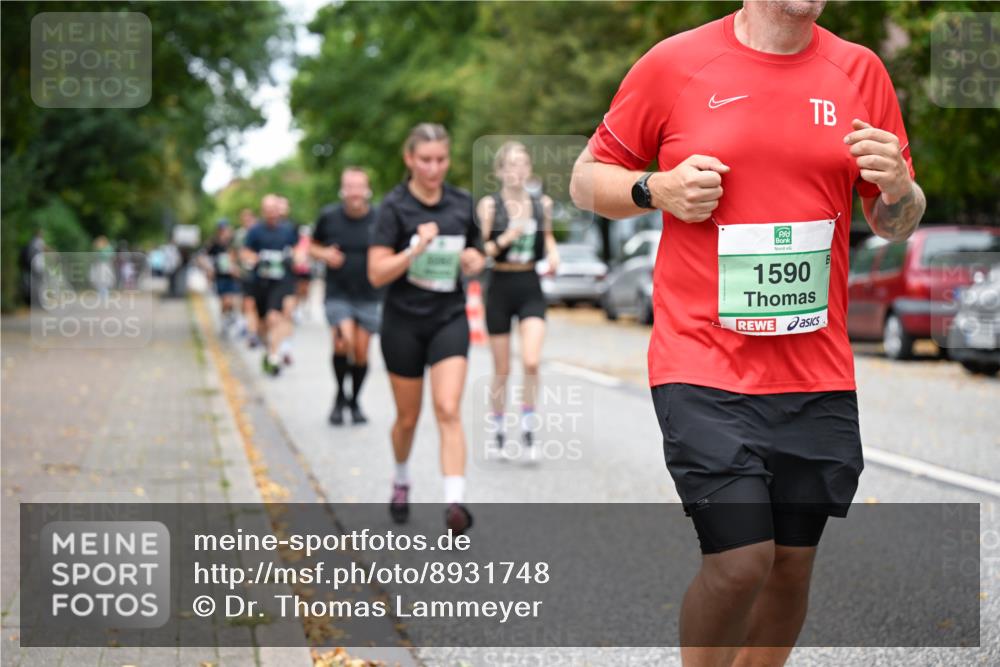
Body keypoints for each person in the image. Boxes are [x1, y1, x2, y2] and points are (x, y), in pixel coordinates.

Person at [570, 2, 925, 665]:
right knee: (740, 561)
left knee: (791, 565)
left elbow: (892, 221)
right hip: (702, 361)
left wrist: (902, 187)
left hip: (815, 369)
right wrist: (656, 189)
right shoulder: (675, 64)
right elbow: (585, 180)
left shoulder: (860, 71)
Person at [368, 123, 486, 534]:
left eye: (441, 160)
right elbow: (376, 273)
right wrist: (414, 249)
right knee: (407, 418)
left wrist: (475, 260)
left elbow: (477, 252)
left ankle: (455, 504)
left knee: (448, 408)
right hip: (403, 321)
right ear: (409, 159)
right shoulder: (394, 207)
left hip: (448, 317)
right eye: (425, 160)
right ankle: (401, 478)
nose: (434, 168)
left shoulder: (461, 203)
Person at [477, 141, 559, 460]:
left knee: (531, 361)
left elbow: (548, 236)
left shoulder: (542, 204)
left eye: (523, 164)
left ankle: (527, 428)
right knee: (502, 368)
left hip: (529, 285)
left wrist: (553, 254)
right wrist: (506, 237)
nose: (517, 170)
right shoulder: (489, 206)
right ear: (499, 171)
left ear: (529, 169)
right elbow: (481, 251)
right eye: (511, 164)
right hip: (499, 285)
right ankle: (498, 430)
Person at [312, 167, 382, 426]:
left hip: (369, 294)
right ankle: (340, 395)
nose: (354, 192)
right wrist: (324, 254)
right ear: (343, 190)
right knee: (343, 343)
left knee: (361, 352)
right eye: (350, 187)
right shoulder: (329, 216)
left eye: (359, 187)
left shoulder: (379, 218)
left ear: (367, 189)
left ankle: (354, 401)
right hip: (338, 294)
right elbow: (311, 246)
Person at [240, 194, 304, 377]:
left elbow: (298, 248)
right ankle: (269, 349)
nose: (272, 214)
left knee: (275, 317)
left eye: (274, 209)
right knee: (263, 324)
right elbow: (245, 252)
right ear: (263, 211)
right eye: (268, 210)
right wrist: (254, 258)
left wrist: (297, 256)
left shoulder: (288, 230)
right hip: (261, 282)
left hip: (282, 281)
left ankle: (275, 356)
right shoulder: (255, 231)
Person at [202, 219, 241, 338]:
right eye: (222, 229)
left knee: (232, 300)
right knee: (224, 301)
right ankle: (224, 321)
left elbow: (240, 256)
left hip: (232, 276)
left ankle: (230, 318)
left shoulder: (233, 243)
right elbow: (202, 257)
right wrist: (209, 270)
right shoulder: (214, 243)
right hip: (220, 276)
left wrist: (237, 267)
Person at [234, 207, 261, 347]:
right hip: (245, 273)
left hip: (260, 274)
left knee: (257, 304)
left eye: (249, 218)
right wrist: (234, 267)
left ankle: (254, 329)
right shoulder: (239, 235)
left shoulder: (259, 231)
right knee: (247, 301)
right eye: (245, 218)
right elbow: (234, 252)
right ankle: (249, 329)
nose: (247, 221)